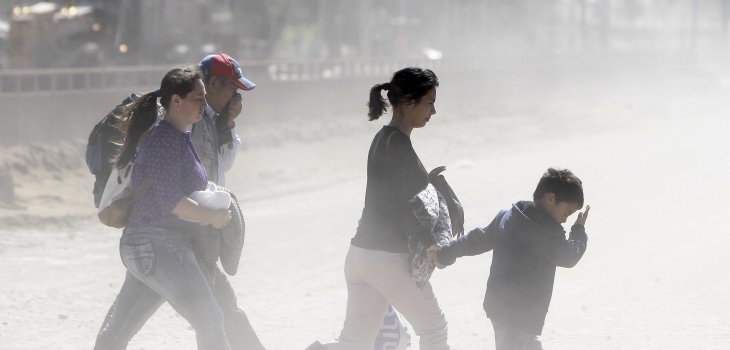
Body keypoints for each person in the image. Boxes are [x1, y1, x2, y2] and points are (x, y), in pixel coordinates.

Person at [94, 54, 265, 350]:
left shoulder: (180, 135)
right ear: (176, 101)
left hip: (155, 245)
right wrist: (212, 217)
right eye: (198, 99)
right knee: (212, 319)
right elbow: (170, 199)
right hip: (159, 245)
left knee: (118, 330)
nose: (203, 104)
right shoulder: (164, 139)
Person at [308, 67, 451, 350]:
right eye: (429, 102)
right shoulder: (397, 144)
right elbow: (401, 205)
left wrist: (428, 182)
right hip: (386, 256)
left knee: (355, 342)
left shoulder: (384, 139)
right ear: (409, 101)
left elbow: (398, 194)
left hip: (361, 255)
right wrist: (430, 243)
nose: (433, 111)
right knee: (434, 329)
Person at [431, 168, 590, 350]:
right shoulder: (549, 234)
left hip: (499, 307)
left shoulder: (507, 217)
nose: (564, 221)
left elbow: (476, 240)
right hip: (520, 317)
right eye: (566, 213)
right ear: (550, 199)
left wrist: (445, 253)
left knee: (526, 343)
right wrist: (578, 230)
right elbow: (569, 256)